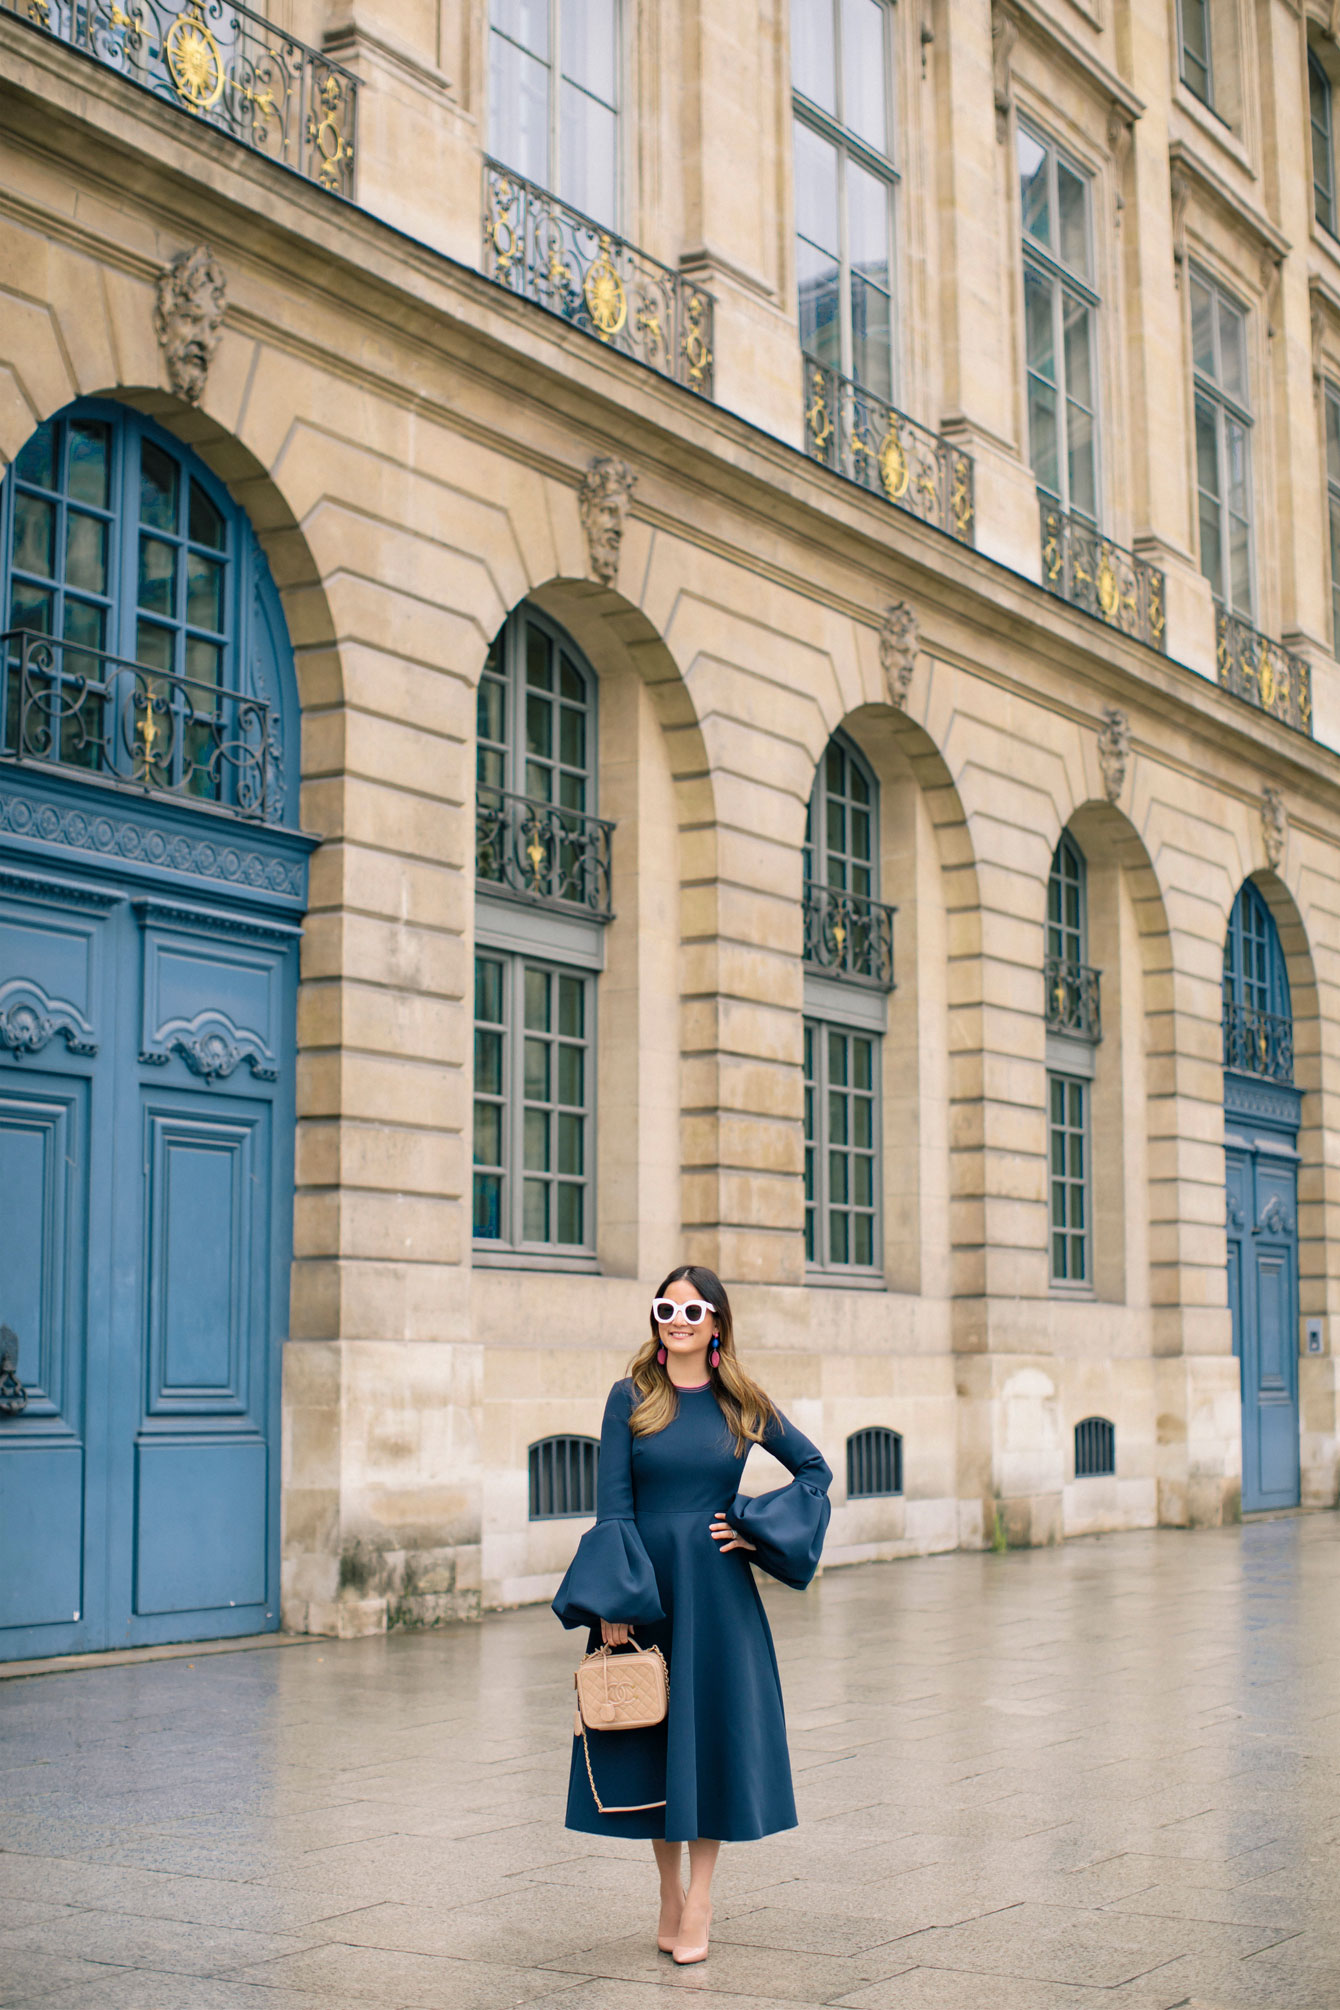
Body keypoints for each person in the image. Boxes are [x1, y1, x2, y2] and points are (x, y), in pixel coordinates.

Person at [552, 1264, 832, 1965]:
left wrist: (753, 1527)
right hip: (645, 1591)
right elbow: (612, 1504)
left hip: (716, 1594)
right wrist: (613, 1604)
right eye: (666, 1308)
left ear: (716, 1322)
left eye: (692, 1309)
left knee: (706, 1739)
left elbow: (813, 1470)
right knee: (653, 1740)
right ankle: (667, 1893)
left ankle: (701, 1897)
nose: (677, 1320)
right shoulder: (630, 1398)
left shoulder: (743, 1401)